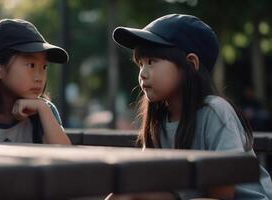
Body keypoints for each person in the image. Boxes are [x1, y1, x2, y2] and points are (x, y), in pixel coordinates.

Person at [112, 14, 272, 199]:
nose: (143, 74)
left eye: (152, 62)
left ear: (191, 63)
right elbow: (149, 178)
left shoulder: (215, 111)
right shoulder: (159, 119)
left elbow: (222, 193)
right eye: (140, 64)